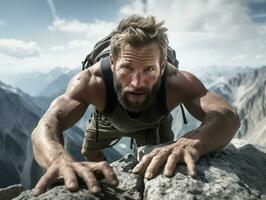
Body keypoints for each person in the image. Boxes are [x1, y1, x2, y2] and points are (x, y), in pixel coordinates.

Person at [31, 15, 240, 196]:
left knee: (161, 162)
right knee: (91, 153)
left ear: (162, 65)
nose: (137, 82)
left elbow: (227, 115)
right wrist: (57, 160)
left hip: (154, 124)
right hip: (107, 119)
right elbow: (48, 123)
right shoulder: (91, 82)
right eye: (127, 68)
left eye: (149, 69)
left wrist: (193, 142)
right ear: (112, 62)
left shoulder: (176, 81)